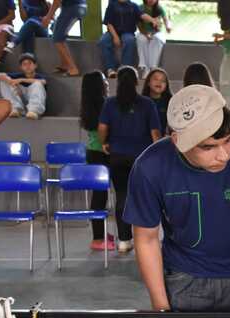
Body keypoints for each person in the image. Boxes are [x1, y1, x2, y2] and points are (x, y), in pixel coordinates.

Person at [123, 84, 230, 312]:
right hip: (184, 280)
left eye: (227, 140)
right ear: (177, 141)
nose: (223, 156)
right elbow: (146, 239)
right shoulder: (151, 166)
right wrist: (161, 307)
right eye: (208, 147)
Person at [98, 66, 161, 253]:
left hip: (117, 155)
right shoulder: (147, 104)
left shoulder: (110, 103)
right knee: (145, 198)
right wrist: (158, 153)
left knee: (122, 196)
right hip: (142, 157)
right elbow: (155, 133)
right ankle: (147, 239)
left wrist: (104, 142)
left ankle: (124, 240)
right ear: (136, 82)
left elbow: (102, 128)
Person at [80, 70, 114, 251]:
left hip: (93, 153)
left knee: (99, 195)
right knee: (101, 196)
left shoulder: (88, 106)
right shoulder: (105, 105)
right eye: (103, 81)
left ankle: (98, 235)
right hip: (103, 152)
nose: (107, 83)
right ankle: (98, 239)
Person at [99, 0, 157, 78]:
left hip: (128, 32)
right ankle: (110, 69)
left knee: (129, 40)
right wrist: (115, 36)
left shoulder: (133, 6)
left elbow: (142, 15)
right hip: (112, 31)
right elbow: (109, 23)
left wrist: (152, 20)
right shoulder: (112, 5)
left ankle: (124, 68)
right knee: (104, 40)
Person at [42, 0, 86, 77]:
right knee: (55, 29)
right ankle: (65, 64)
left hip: (72, 8)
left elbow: (57, 1)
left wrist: (48, 17)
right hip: (80, 6)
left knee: (57, 38)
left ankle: (73, 68)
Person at [0, 52, 45, 119]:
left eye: (30, 63)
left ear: (35, 65)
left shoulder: (39, 76)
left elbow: (43, 82)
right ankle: (15, 109)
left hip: (33, 102)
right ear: (21, 67)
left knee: (37, 83)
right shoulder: (17, 75)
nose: (27, 66)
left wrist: (21, 80)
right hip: (21, 99)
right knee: (4, 81)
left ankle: (34, 111)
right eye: (24, 64)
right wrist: (12, 83)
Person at [136, 0, 170, 79]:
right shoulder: (140, 8)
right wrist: (146, 34)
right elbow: (138, 24)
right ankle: (146, 68)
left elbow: (165, 19)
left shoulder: (159, 8)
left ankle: (153, 68)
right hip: (143, 32)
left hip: (156, 32)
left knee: (156, 39)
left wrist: (167, 27)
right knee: (141, 39)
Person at [141, 67, 171, 135]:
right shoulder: (140, 101)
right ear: (148, 82)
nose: (159, 82)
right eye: (155, 79)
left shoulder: (170, 102)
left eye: (163, 81)